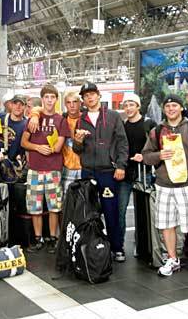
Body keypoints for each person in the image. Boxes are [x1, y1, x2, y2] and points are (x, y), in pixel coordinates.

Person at [142, 94, 188, 278]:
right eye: (167, 106)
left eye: (174, 105)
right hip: (164, 185)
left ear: (181, 108)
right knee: (166, 224)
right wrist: (159, 156)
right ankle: (172, 259)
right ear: (164, 109)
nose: (171, 109)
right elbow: (146, 155)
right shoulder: (157, 131)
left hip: (186, 184)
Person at [73, 82, 128, 262]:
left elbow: (122, 143)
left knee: (111, 210)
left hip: (107, 171)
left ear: (99, 95)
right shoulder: (81, 120)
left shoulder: (112, 116)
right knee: (88, 212)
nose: (89, 97)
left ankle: (117, 247)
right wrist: (78, 141)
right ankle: (91, 245)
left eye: (92, 94)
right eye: (86, 95)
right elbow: (77, 150)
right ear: (83, 100)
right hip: (88, 171)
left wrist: (120, 165)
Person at [21, 84, 70, 254]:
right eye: (46, 97)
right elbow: (23, 142)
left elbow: (57, 148)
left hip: (53, 169)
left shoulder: (60, 120)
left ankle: (53, 238)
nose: (49, 100)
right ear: (42, 99)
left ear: (57, 100)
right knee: (35, 207)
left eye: (52, 97)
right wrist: (37, 147)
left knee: (54, 207)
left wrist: (50, 146)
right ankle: (38, 238)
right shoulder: (33, 119)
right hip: (35, 169)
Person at [117, 93, 156, 262]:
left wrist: (144, 157)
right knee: (120, 210)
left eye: (131, 104)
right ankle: (119, 246)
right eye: (125, 105)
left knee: (144, 211)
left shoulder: (149, 124)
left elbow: (156, 147)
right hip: (126, 173)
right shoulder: (123, 125)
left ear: (138, 106)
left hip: (143, 172)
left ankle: (144, 245)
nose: (128, 108)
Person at [60, 91, 82, 196]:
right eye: (69, 102)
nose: (72, 105)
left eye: (75, 102)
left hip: (84, 168)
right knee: (67, 203)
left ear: (80, 103)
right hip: (67, 168)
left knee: (86, 204)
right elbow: (40, 109)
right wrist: (35, 115)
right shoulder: (61, 121)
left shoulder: (87, 120)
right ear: (65, 105)